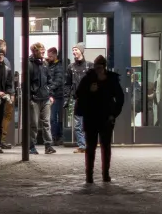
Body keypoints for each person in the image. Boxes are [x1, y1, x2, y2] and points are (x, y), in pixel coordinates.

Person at [74, 55, 123, 183]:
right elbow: (78, 94)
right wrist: (90, 90)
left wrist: (114, 114)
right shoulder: (88, 78)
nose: (98, 69)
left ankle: (105, 174)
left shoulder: (112, 79)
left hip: (106, 117)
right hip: (91, 116)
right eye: (96, 67)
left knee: (105, 146)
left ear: (104, 67)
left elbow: (120, 98)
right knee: (91, 146)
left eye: (100, 67)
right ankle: (89, 175)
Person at [26, 42, 56, 155]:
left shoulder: (45, 64)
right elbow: (27, 83)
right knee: (33, 123)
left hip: (45, 98)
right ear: (35, 51)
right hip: (34, 98)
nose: (43, 51)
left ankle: (48, 146)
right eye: (41, 49)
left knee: (46, 123)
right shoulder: (29, 64)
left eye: (44, 49)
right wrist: (29, 98)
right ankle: (31, 146)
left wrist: (50, 94)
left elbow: (49, 80)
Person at [67, 45, 90, 153]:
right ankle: (82, 146)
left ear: (81, 51)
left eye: (75, 50)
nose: (74, 52)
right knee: (78, 124)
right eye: (73, 50)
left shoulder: (90, 66)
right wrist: (68, 97)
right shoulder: (71, 67)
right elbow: (67, 83)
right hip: (78, 99)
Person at [45, 48, 66, 142]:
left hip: (57, 94)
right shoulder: (50, 65)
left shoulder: (58, 66)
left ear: (55, 55)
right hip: (53, 94)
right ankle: (56, 136)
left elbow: (58, 80)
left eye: (50, 56)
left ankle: (55, 136)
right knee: (54, 117)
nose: (48, 58)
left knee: (53, 117)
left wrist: (49, 88)